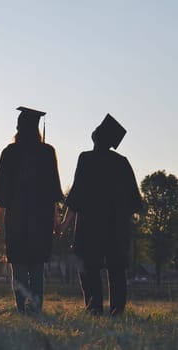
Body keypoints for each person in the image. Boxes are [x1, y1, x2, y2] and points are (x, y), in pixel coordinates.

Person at [58, 115, 142, 316]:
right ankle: (117, 311)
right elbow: (134, 200)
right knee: (116, 270)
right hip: (116, 226)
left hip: (90, 225)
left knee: (89, 268)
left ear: (96, 137)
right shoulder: (122, 162)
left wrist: (63, 225)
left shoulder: (86, 158)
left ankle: (94, 309)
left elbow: (76, 196)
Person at [0, 107, 63, 314]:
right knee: (37, 264)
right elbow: (53, 189)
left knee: (19, 263)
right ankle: (36, 306)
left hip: (17, 217)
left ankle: (22, 307)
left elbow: (2, 190)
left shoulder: (10, 152)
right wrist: (55, 217)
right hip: (41, 217)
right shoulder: (47, 152)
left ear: (18, 128)